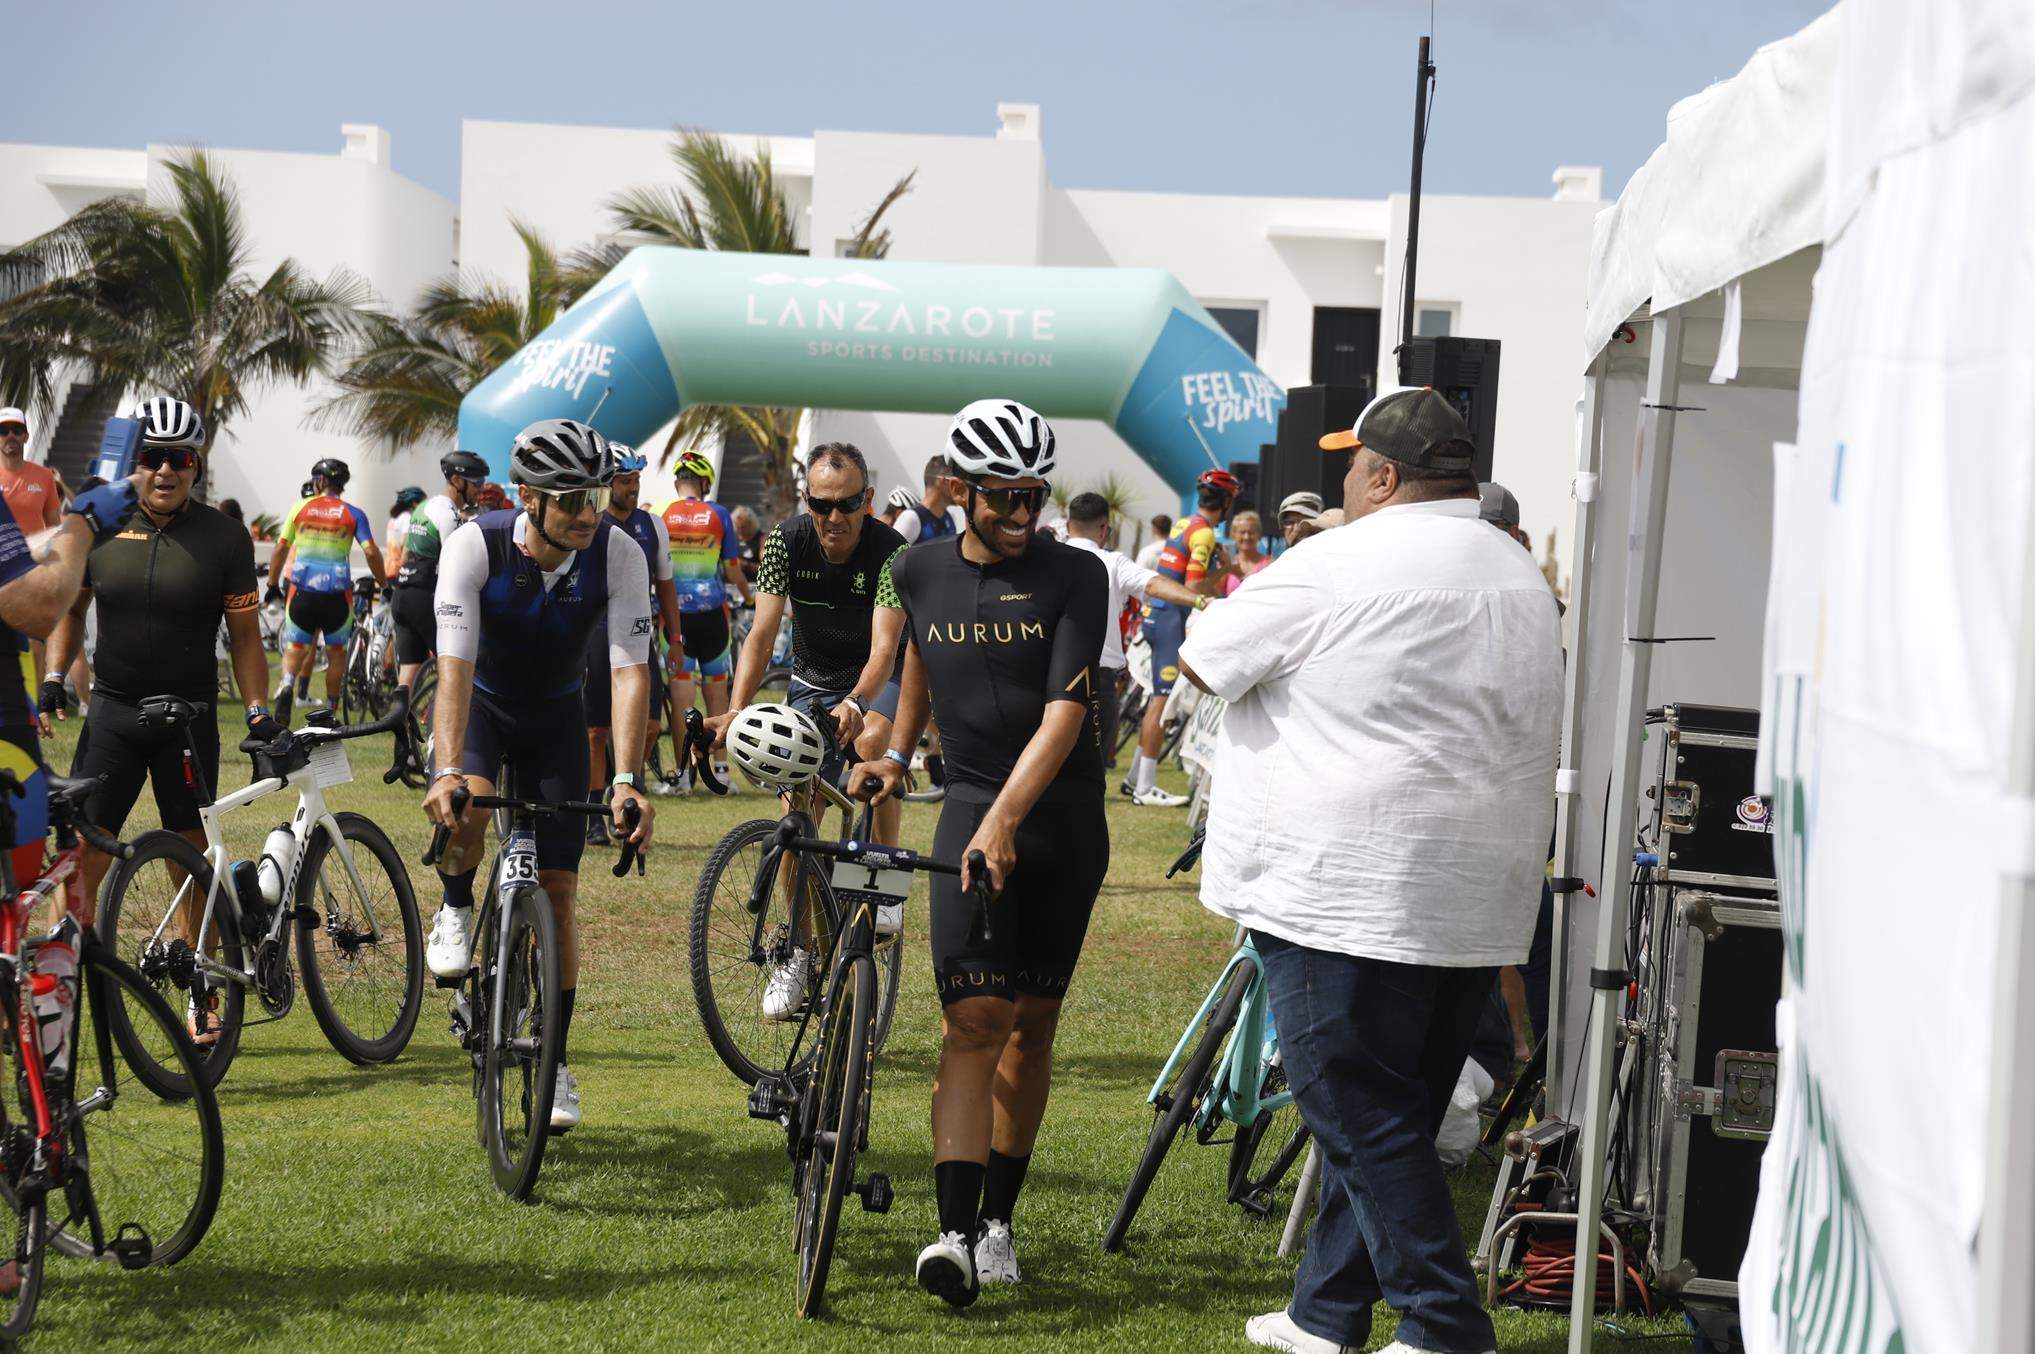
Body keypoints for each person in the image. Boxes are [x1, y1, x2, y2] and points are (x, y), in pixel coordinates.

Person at [1177, 388, 1561, 1354]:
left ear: (1384, 477)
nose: (1344, 479)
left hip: (1344, 884)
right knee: (1400, 1105)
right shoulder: (1518, 571)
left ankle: (1443, 1323)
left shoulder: (1336, 560)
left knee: (1353, 1105)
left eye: (1352, 464)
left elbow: (1203, 658)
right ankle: (1326, 1310)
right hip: (1475, 889)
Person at [853, 398, 1106, 1306]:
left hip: (1060, 822)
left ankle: (999, 1219)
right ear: (958, 489)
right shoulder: (916, 569)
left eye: (1033, 494)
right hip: (967, 807)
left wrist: (1008, 818)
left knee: (1029, 1027)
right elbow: (918, 665)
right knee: (971, 1021)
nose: (1020, 512)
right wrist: (893, 753)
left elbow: (1066, 712)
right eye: (1002, 495)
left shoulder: (1075, 574)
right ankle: (953, 1235)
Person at [422, 418, 656, 1132]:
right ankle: (457, 903)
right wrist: (447, 770)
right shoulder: (475, 545)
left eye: (596, 496)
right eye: (571, 499)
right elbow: (453, 669)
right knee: (469, 807)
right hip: (482, 711)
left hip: (557, 720)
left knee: (558, 894)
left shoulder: (618, 552)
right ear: (528, 497)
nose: (588, 513)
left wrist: (625, 779)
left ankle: (553, 1059)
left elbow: (629, 672)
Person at [44, 398, 276, 955]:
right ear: (135, 462)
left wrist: (257, 712)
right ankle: (58, 980)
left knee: (190, 857)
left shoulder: (225, 537)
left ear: (196, 465)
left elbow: (246, 638)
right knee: (84, 851)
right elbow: (71, 612)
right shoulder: (100, 525)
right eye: (152, 457)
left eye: (180, 458)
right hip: (113, 713)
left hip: (188, 718)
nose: (166, 470)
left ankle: (204, 988)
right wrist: (53, 676)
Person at [710, 442, 907, 1018]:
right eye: (822, 505)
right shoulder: (785, 541)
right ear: (807, 501)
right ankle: (796, 951)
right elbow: (760, 633)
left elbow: (886, 650)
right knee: (795, 821)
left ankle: (883, 879)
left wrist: (856, 701)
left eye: (847, 504)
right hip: (811, 679)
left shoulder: (891, 552)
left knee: (871, 743)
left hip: (876, 678)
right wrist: (735, 708)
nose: (834, 517)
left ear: (868, 500)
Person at [1060, 492, 1209, 774]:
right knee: (1091, 773)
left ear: (1069, 526)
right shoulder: (1113, 562)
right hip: (1096, 678)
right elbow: (1153, 585)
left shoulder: (1046, 560)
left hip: (1049, 676)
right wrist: (1200, 601)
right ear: (1104, 529)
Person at [584, 445, 682, 843]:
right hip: (595, 630)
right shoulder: (590, 523)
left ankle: (619, 783)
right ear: (607, 485)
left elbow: (666, 585)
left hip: (639, 634)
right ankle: (594, 812)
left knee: (651, 726)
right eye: (625, 481)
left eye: (636, 480)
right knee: (595, 731)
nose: (633, 488)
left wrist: (675, 638)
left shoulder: (652, 525)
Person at [1125, 470, 1239, 806]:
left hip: (1157, 613)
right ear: (1226, 502)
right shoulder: (1203, 534)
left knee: (1156, 700)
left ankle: (1135, 779)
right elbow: (1193, 588)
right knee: (1162, 702)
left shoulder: (1185, 523)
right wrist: (1227, 570)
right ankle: (1144, 788)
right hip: (1170, 617)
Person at [267, 457, 386, 722]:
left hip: (302, 592)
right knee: (336, 654)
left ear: (320, 481)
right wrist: (385, 583)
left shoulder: (300, 507)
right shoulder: (354, 514)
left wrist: (273, 585)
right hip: (337, 596)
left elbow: (281, 548)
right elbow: (371, 552)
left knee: (296, 647)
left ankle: (287, 685)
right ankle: (330, 711)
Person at [660, 451, 750, 780]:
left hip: (675, 619)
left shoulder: (662, 513)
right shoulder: (719, 513)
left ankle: (683, 775)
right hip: (713, 617)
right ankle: (722, 771)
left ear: (677, 483)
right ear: (705, 484)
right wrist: (749, 596)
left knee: (682, 697)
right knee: (717, 694)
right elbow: (732, 569)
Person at [391, 451, 489, 693]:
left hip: (402, 595)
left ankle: (401, 715)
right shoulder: (449, 515)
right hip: (425, 597)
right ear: (457, 481)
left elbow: (405, 555)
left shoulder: (424, 507)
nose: (480, 489)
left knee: (409, 669)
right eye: (477, 483)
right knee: (457, 663)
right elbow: (455, 566)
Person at [892, 454, 962, 544]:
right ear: (943, 481)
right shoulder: (911, 518)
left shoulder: (950, 517)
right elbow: (890, 552)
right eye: (955, 482)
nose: (961, 487)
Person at [1224, 510, 1273, 594]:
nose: (1246, 537)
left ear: (1259, 534)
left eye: (1251, 532)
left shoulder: (1270, 564)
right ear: (1234, 534)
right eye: (1242, 532)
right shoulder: (1229, 563)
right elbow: (1214, 592)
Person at [383, 485, 427, 578]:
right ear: (414, 503)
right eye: (423, 503)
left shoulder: (394, 518)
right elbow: (406, 545)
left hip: (388, 567)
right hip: (399, 569)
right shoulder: (407, 518)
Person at [730, 505, 764, 587]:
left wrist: (745, 565)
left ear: (751, 524)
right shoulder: (731, 538)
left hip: (753, 585)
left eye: (743, 527)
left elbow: (768, 568)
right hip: (732, 585)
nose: (740, 531)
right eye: (738, 527)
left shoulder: (762, 539)